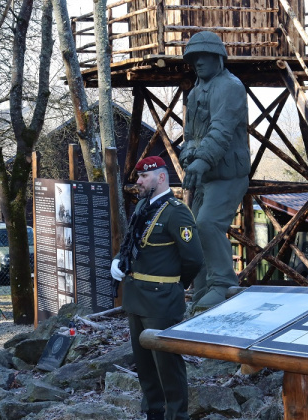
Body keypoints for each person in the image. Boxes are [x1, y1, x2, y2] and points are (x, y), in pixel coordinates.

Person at [111, 156, 204, 420]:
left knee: (167, 365)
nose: (138, 182)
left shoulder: (177, 212)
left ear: (160, 178)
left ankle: (176, 415)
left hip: (162, 300)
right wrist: (119, 260)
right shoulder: (142, 206)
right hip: (136, 297)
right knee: (144, 364)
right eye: (138, 177)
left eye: (143, 177)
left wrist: (174, 285)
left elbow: (194, 259)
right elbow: (132, 242)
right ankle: (154, 411)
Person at [179, 31, 250, 310]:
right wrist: (188, 157)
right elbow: (189, 134)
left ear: (217, 57)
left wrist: (201, 159)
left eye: (203, 56)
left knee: (208, 225)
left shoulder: (231, 87)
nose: (197, 62)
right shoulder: (195, 92)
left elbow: (221, 129)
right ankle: (202, 293)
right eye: (194, 58)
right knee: (194, 233)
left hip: (227, 174)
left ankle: (223, 284)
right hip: (204, 174)